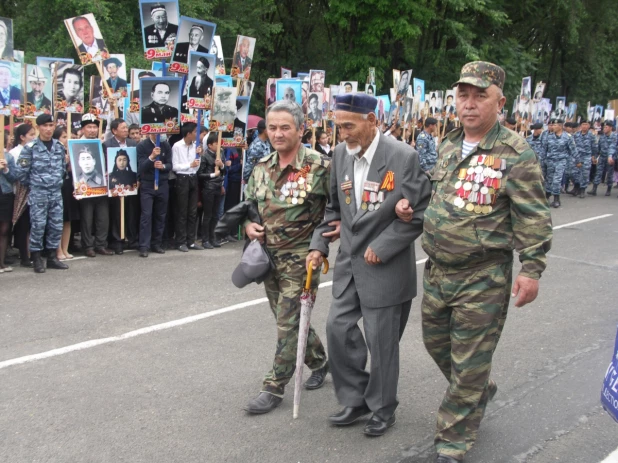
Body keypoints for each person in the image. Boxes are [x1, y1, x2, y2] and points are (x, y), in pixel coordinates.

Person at [398, 61, 552, 463]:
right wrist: (409, 208)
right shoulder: (448, 144)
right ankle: (478, 387)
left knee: (468, 363)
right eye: (463, 95)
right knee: (436, 345)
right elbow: (443, 195)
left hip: (482, 276)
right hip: (438, 271)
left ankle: (452, 441)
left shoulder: (516, 153)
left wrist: (531, 270)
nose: (469, 104)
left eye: (479, 95)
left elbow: (534, 217)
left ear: (500, 102)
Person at [307, 93, 430, 437]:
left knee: (381, 342)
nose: (342, 133)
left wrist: (385, 244)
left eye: (348, 125)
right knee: (337, 328)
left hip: (385, 266)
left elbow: (419, 211)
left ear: (371, 121)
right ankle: (356, 397)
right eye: (337, 126)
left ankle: (382, 407)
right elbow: (334, 210)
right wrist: (319, 245)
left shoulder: (403, 157)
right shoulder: (339, 156)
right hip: (349, 262)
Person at [242, 100, 332, 414]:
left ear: (301, 129)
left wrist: (320, 246)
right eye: (273, 127)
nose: (278, 133)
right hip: (268, 259)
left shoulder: (321, 166)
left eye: (285, 127)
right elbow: (249, 205)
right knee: (289, 320)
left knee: (287, 323)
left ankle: (274, 386)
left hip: (302, 260)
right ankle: (320, 361)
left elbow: (335, 212)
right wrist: (248, 225)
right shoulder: (262, 166)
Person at [13, 114, 69, 273]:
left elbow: (62, 169)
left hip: (55, 193)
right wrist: (35, 184)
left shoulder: (58, 146)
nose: (49, 129)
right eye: (45, 126)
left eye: (51, 125)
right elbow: (21, 172)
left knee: (56, 225)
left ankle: (52, 257)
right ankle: (36, 258)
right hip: (38, 193)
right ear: (38, 127)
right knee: (38, 226)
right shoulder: (30, 148)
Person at [76, 114, 113, 258]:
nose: (92, 130)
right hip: (85, 188)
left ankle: (101, 245)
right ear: (83, 129)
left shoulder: (101, 143)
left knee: (103, 218)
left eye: (94, 127)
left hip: (101, 185)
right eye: (89, 127)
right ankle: (88, 246)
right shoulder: (76, 144)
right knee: (87, 218)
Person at [104, 118, 139, 253]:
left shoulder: (132, 143)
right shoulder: (107, 144)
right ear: (114, 131)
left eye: (126, 128)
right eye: (123, 128)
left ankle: (131, 238)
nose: (126, 130)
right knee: (117, 212)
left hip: (130, 181)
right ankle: (117, 240)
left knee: (131, 211)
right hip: (115, 184)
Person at [136, 133, 173, 257]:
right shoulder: (142, 145)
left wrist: (163, 166)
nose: (160, 134)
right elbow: (141, 167)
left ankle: (157, 243)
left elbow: (170, 165)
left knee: (161, 215)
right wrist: (152, 157)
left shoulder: (166, 145)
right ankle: (144, 246)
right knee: (146, 215)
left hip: (162, 184)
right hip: (147, 184)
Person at [172, 122, 203, 252]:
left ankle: (191, 240)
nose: (197, 135)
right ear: (188, 133)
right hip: (182, 178)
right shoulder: (177, 146)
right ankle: (180, 241)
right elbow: (175, 166)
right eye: (195, 132)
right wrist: (189, 165)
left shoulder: (196, 146)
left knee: (192, 212)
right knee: (182, 212)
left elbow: (197, 166)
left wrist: (199, 157)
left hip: (193, 178)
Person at [9, 124, 37, 268]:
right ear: (22, 137)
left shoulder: (36, 149)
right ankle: (24, 255)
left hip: (35, 190)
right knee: (23, 225)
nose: (34, 137)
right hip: (21, 191)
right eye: (31, 135)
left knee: (33, 224)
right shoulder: (14, 152)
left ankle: (33, 252)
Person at [53, 126, 78, 262]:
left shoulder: (72, 151)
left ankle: (65, 248)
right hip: (58, 188)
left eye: (69, 137)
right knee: (58, 220)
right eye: (63, 137)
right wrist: (65, 163)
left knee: (68, 220)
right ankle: (57, 249)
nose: (67, 139)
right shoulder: (54, 152)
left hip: (69, 187)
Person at [197, 132, 225, 248]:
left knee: (215, 215)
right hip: (208, 188)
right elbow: (200, 174)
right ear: (209, 145)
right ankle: (205, 239)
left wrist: (222, 165)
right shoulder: (205, 156)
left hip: (218, 187)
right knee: (207, 215)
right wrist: (213, 175)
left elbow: (224, 172)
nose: (218, 146)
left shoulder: (220, 154)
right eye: (215, 144)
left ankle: (212, 238)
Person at [542, 118, 576, 207]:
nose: (553, 126)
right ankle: (547, 197)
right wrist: (542, 161)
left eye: (555, 125)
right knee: (549, 180)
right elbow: (544, 150)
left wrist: (578, 161)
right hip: (549, 161)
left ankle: (557, 199)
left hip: (561, 161)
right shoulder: (548, 137)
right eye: (552, 125)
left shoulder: (567, 137)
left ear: (560, 126)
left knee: (556, 180)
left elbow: (573, 150)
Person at [0, 130, 16, 273]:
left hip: (5, 194)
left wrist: (6, 169)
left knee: (4, 229)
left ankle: (2, 262)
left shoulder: (8, 157)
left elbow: (14, 177)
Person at [589, 120, 617, 196]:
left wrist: (611, 157)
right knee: (598, 172)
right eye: (603, 127)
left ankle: (608, 189)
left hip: (611, 158)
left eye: (606, 127)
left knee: (610, 174)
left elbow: (613, 148)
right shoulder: (602, 136)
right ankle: (594, 189)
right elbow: (598, 147)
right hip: (602, 157)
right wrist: (595, 156)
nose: (604, 129)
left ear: (611, 128)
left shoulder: (615, 137)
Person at [572, 120, 597, 198]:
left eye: (586, 124)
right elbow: (572, 146)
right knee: (575, 173)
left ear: (589, 126)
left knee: (585, 174)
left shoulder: (591, 135)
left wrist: (594, 156)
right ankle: (576, 187)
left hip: (586, 156)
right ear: (580, 126)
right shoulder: (576, 135)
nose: (584, 126)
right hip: (577, 156)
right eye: (583, 124)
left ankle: (582, 190)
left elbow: (594, 147)